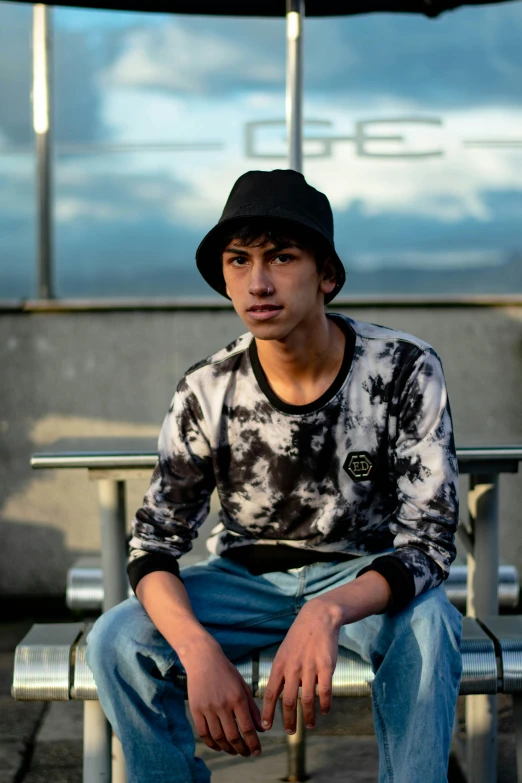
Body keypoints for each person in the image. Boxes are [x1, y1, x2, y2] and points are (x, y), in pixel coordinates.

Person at [86, 169, 463, 783]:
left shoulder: (402, 369)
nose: (257, 283)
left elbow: (429, 543)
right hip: (244, 579)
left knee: (430, 625)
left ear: (327, 275)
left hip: (363, 578)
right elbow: (154, 544)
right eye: (239, 261)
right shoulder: (207, 388)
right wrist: (198, 649)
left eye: (282, 258)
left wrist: (326, 611)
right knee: (117, 639)